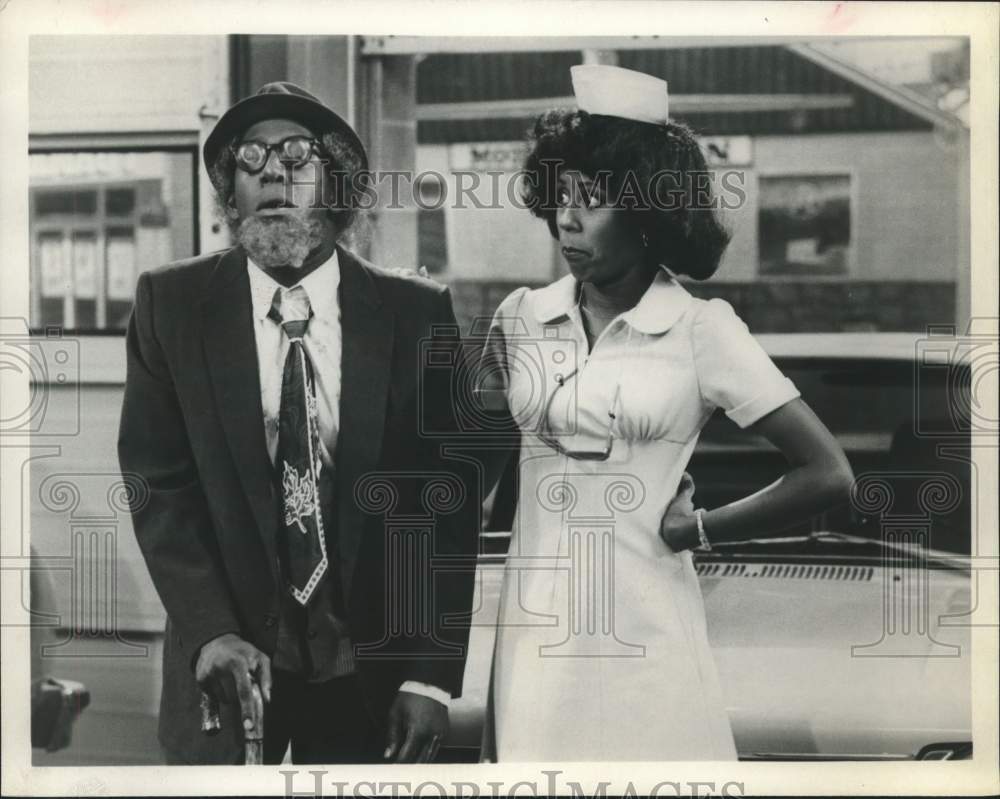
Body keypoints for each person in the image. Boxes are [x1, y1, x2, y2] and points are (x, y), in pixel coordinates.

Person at [478, 65, 855, 761]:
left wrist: (700, 529)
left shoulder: (700, 329)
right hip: (534, 637)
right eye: (561, 194)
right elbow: (466, 477)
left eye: (594, 198)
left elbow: (828, 474)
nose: (569, 216)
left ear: (651, 214)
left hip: (647, 637)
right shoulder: (520, 317)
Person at [118, 82, 477, 765]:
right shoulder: (171, 303)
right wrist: (210, 632)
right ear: (230, 194)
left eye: (297, 155)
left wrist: (429, 670)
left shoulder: (414, 313)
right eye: (250, 159)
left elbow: (446, 502)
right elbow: (158, 483)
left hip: (368, 674)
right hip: (227, 666)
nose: (272, 171)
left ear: (335, 185)